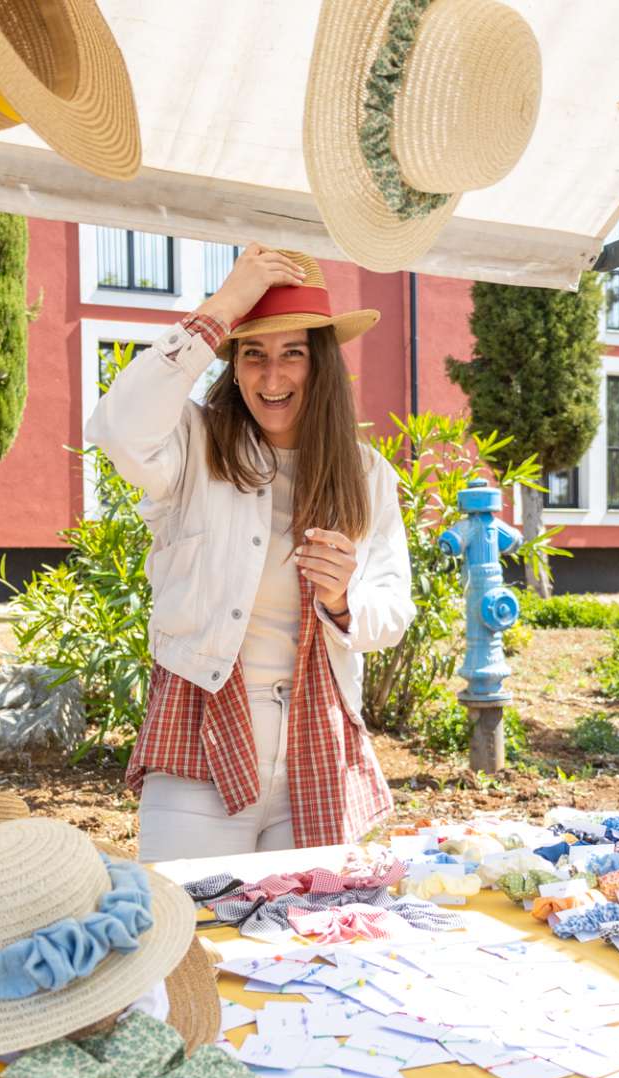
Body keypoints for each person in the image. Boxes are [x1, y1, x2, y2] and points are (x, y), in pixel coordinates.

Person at [86, 243, 415, 859]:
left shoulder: (366, 473)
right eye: (253, 353)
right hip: (200, 747)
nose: (272, 376)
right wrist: (223, 308)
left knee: (306, 922)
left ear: (321, 363)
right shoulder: (194, 444)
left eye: (293, 353)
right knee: (193, 916)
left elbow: (394, 610)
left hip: (316, 753)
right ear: (233, 366)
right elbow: (117, 428)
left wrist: (344, 599)